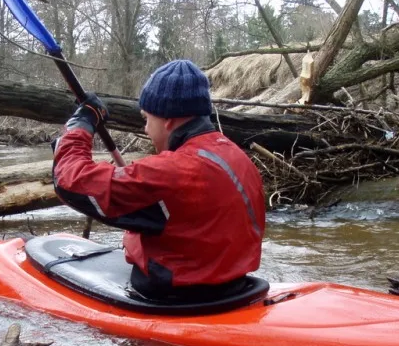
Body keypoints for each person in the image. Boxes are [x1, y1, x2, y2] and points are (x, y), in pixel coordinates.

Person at [52, 59, 265, 300]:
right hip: (235, 287)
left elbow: (70, 181)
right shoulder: (236, 156)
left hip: (177, 298)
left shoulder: (172, 172)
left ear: (168, 121)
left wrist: (78, 128)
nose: (145, 129)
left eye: (146, 119)